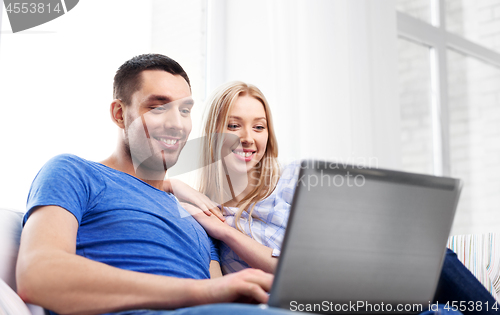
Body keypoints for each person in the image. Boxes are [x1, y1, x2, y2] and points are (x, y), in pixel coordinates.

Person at [183, 81, 497, 315]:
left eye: (259, 127)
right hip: (320, 304)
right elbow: (285, 273)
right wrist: (179, 189)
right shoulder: (208, 215)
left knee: (432, 253)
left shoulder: (292, 177)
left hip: (362, 284)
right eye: (234, 125)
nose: (248, 138)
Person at [16, 54, 297, 315]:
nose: (177, 123)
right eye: (158, 107)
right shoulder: (74, 172)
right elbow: (38, 275)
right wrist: (203, 292)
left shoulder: (197, 217)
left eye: (185, 110)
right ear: (118, 114)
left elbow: (218, 294)